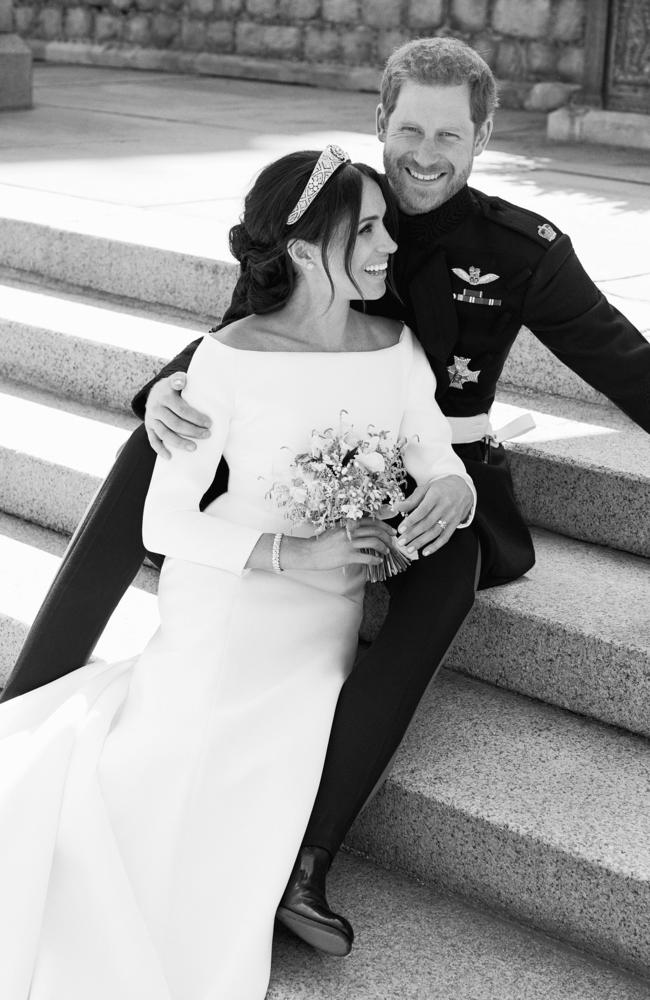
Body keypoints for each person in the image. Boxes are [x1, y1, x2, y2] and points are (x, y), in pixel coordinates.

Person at [3, 36, 649, 957]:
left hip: (432, 469)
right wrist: (168, 392)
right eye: (410, 129)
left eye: (450, 136)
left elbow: (623, 360)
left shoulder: (520, 249)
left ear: (484, 138)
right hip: (300, 458)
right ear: (382, 123)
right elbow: (246, 334)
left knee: (449, 572)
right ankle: (30, 693)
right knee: (146, 453)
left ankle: (306, 862)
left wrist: (452, 491)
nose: (427, 154)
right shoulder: (332, 205)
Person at [0, 147, 476, 999]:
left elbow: (435, 451)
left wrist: (453, 490)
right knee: (163, 785)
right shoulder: (226, 359)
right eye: (366, 230)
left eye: (384, 229)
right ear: (302, 249)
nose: (387, 247)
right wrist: (293, 553)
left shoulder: (395, 345)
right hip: (227, 602)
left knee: (271, 771)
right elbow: (163, 520)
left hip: (321, 620)